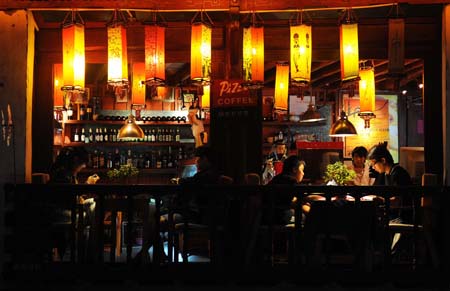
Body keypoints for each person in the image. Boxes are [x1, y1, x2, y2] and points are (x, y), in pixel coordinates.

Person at [367, 141, 413, 252]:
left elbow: (397, 201)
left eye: (374, 164)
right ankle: (376, 258)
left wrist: (380, 200)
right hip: (393, 214)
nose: (373, 167)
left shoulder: (398, 173)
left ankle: (384, 258)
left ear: (383, 160)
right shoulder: (387, 174)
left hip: (402, 216)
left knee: (371, 226)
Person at [266, 155, 306, 225]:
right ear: (294, 169)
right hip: (279, 216)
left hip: (267, 214)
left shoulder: (277, 178)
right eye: (302, 170)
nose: (303, 173)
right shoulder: (291, 181)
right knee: (304, 217)